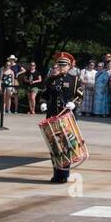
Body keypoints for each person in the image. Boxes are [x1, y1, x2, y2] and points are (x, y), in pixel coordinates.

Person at [40, 51, 83, 184]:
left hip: (66, 117)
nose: (61, 67)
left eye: (64, 65)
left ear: (69, 66)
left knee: (66, 145)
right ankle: (56, 173)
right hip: (52, 116)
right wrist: (42, 103)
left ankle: (64, 173)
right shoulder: (51, 79)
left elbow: (80, 96)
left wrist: (74, 104)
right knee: (54, 145)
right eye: (60, 64)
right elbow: (44, 94)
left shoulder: (75, 80)